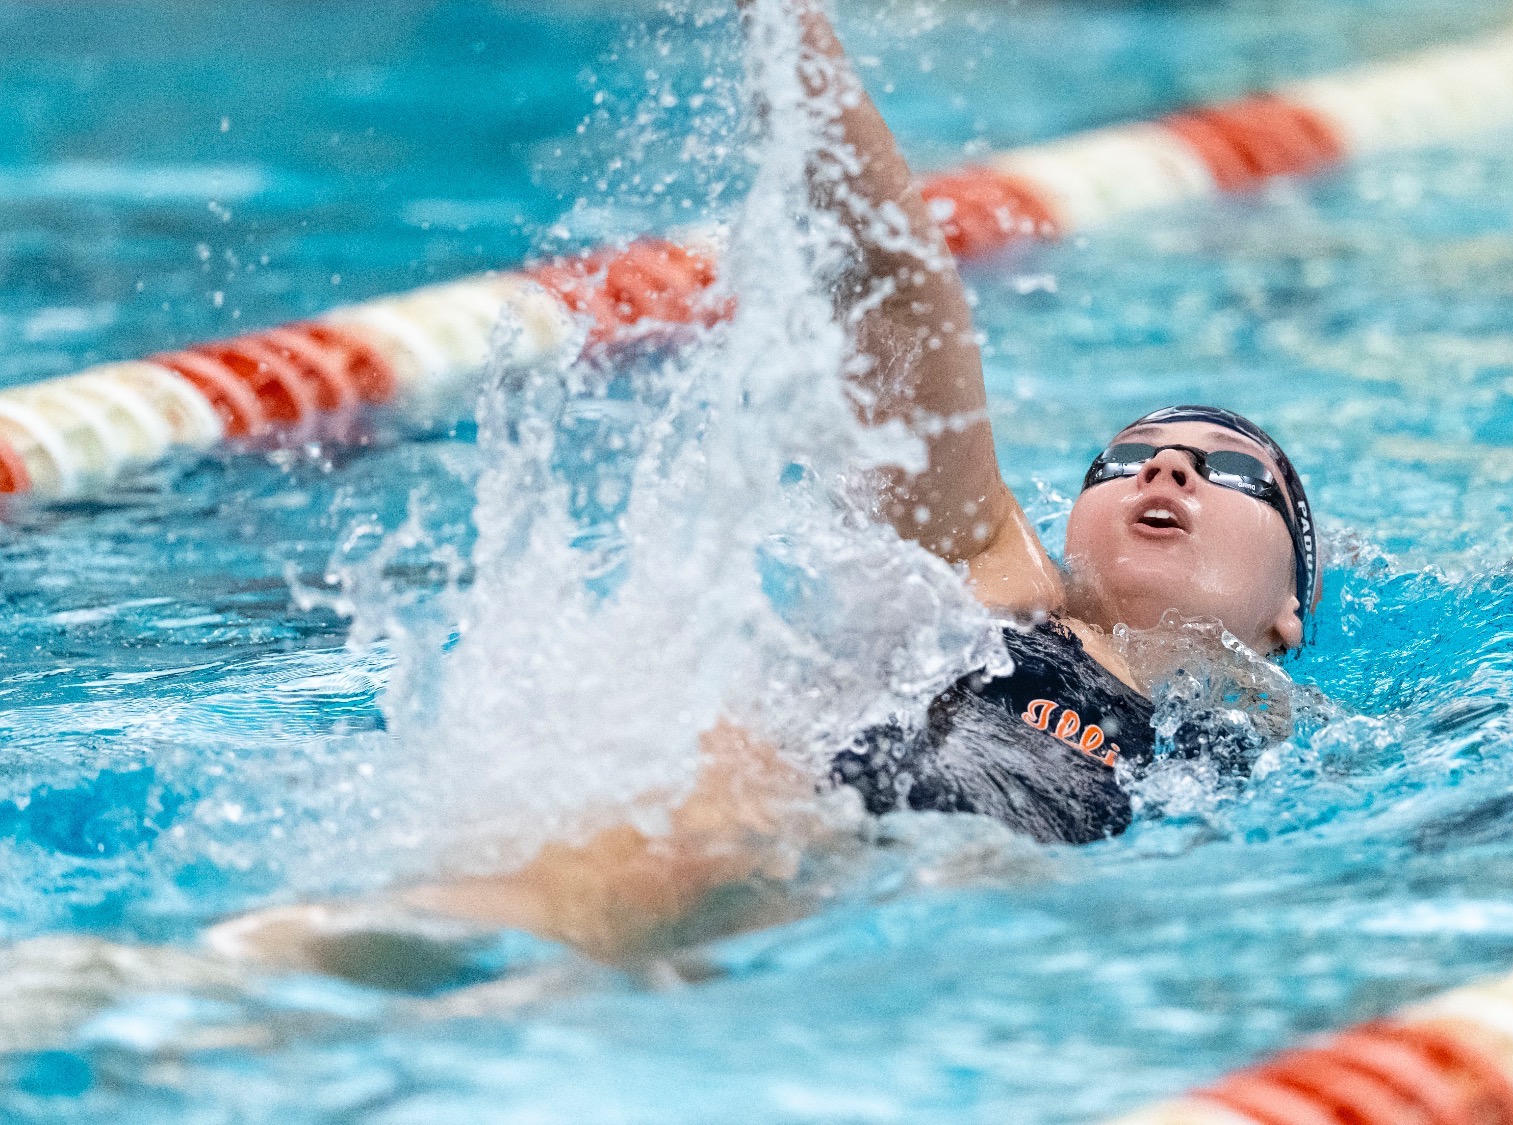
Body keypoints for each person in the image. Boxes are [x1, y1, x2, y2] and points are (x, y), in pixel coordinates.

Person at [210, 0, 1319, 975]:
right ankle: (220, 978)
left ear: (1288, 609)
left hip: (930, 927)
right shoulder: (994, 587)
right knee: (688, 847)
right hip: (802, 832)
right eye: (1119, 460)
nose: (1164, 467)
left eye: (1227, 471)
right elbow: (892, 292)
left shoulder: (1286, 747)